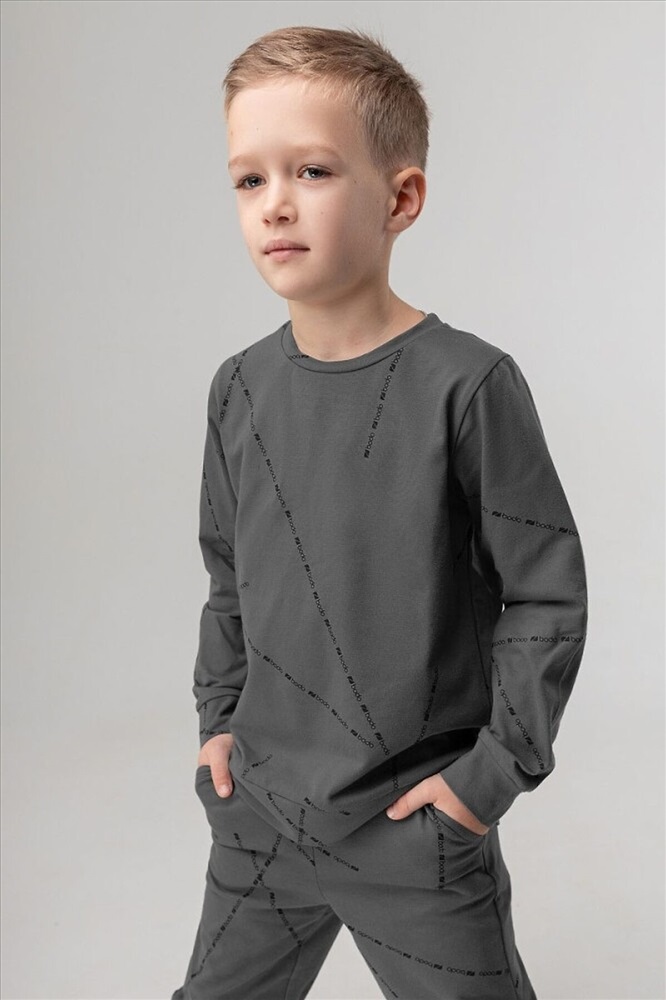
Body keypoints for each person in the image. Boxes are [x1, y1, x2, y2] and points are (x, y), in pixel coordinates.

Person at [171, 25, 588, 1000]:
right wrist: (218, 728)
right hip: (260, 821)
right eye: (249, 178)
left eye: (312, 170)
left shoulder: (467, 386)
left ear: (400, 199)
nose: (274, 203)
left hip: (413, 831)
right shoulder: (239, 389)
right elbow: (229, 580)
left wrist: (487, 781)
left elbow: (545, 595)